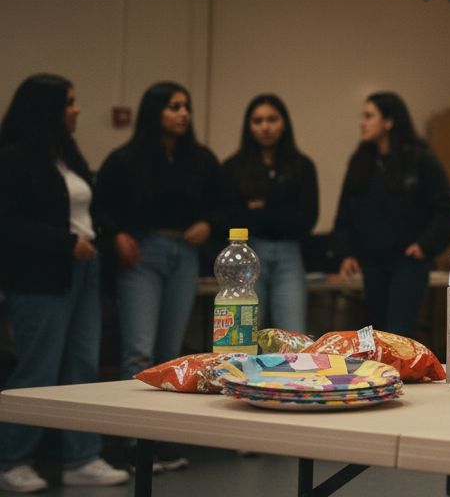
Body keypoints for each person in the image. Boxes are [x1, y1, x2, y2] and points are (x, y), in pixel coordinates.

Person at [0, 75, 130, 491]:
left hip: (84, 270)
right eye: (69, 103)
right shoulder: (15, 158)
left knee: (81, 367)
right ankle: (12, 459)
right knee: (38, 368)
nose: (76, 110)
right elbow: (10, 225)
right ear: (48, 109)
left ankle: (81, 457)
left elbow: (89, 211)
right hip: (41, 276)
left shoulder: (67, 156)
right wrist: (65, 242)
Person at [93, 81, 224, 472]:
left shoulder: (200, 159)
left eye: (186, 106)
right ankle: (133, 443)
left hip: (183, 254)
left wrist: (208, 224)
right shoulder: (125, 159)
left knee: (172, 353)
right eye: (173, 106)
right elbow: (102, 209)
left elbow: (223, 205)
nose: (183, 113)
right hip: (142, 254)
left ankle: (161, 440)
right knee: (139, 350)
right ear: (155, 113)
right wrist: (116, 235)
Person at [332, 92, 450, 338]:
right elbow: (345, 212)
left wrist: (425, 245)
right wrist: (345, 252)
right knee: (374, 333)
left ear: (389, 121)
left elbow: (447, 210)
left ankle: (403, 375)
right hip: (371, 260)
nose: (362, 122)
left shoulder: (420, 159)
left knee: (399, 332)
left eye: (369, 116)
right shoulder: (361, 161)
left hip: (407, 260)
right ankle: (380, 377)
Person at [222, 94, 318, 334]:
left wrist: (260, 210)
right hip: (247, 253)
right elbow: (230, 217)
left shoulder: (302, 165)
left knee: (293, 335)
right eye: (258, 120)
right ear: (249, 125)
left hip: (290, 255)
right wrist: (278, 211)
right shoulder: (234, 167)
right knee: (245, 334)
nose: (265, 127)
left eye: (272, 119)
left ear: (284, 122)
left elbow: (306, 220)